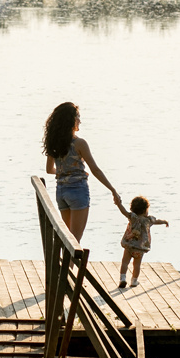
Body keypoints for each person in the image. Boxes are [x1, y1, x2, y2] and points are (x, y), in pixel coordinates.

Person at [42, 102, 121, 241]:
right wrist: (112, 189)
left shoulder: (53, 143)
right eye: (78, 116)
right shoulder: (80, 144)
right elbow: (95, 169)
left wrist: (65, 172)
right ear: (71, 120)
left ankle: (64, 263)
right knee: (74, 241)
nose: (80, 120)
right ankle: (69, 264)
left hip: (61, 192)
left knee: (66, 238)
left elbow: (49, 170)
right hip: (77, 192)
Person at [115, 195, 169, 288]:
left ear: (132, 209)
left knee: (125, 262)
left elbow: (123, 211)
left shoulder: (133, 217)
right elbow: (157, 221)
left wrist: (118, 204)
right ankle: (134, 281)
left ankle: (122, 279)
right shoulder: (148, 220)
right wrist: (165, 221)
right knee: (137, 265)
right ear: (145, 210)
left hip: (129, 245)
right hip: (140, 248)